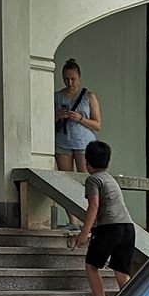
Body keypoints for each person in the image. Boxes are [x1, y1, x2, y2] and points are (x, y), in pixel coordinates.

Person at [74, 140, 135, 296]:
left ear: (87, 161)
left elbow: (93, 205)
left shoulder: (93, 179)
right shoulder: (110, 179)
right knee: (122, 273)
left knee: (91, 266)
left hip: (109, 228)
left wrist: (84, 232)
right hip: (128, 227)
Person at [55, 59, 101, 231]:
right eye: (66, 79)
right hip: (62, 142)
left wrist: (80, 118)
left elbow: (97, 124)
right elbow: (44, 121)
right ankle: (72, 221)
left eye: (73, 79)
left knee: (86, 180)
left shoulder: (88, 96)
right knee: (65, 180)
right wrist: (58, 115)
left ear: (79, 78)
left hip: (84, 142)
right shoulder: (57, 96)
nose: (70, 83)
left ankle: (89, 219)